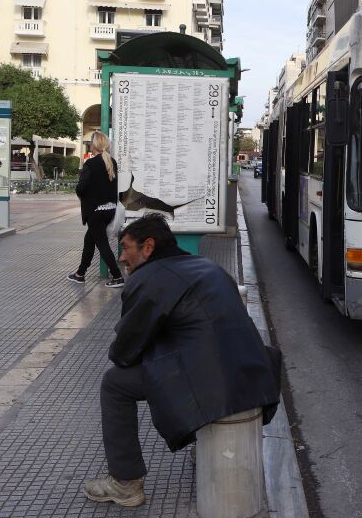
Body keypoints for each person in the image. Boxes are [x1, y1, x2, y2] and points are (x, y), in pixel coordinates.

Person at [83, 215, 281, 507]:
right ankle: (202, 443)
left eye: (126, 248)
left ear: (148, 247)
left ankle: (125, 482)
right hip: (255, 376)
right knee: (186, 356)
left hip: (214, 385)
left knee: (115, 383)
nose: (123, 258)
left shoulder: (148, 279)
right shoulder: (207, 266)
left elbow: (124, 353)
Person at [68, 131, 124, 288]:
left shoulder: (91, 164)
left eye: (91, 143)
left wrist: (81, 194)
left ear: (94, 145)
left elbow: (81, 187)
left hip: (95, 211)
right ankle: (80, 273)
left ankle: (117, 276)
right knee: (89, 240)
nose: (90, 145)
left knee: (102, 244)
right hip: (109, 209)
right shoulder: (111, 162)